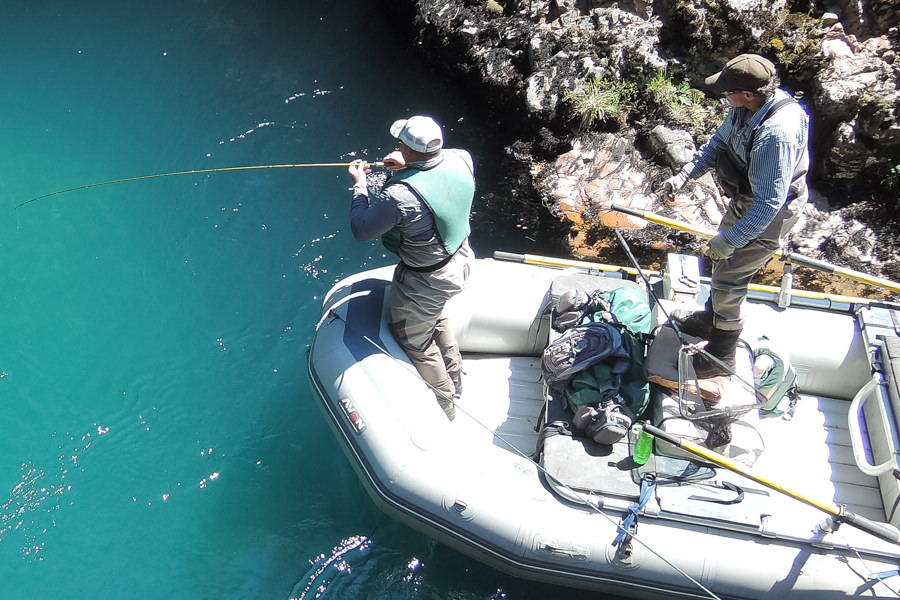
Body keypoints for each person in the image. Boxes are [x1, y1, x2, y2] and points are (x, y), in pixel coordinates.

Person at [659, 54, 810, 378]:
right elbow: (716, 145)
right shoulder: (743, 109)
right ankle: (711, 318)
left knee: (729, 278)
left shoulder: (776, 134)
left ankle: (722, 355)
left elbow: (770, 203)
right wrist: (684, 176)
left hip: (771, 213)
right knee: (721, 266)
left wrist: (730, 241)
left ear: (749, 93)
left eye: (729, 91)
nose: (724, 96)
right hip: (746, 201)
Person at [347, 115, 475, 420]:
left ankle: (447, 405)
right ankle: (456, 377)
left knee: (414, 340)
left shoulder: (399, 196)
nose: (396, 146)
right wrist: (409, 164)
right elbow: (434, 176)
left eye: (400, 143)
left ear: (408, 148)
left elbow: (361, 229)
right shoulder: (461, 158)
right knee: (434, 314)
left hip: (426, 278)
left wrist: (360, 187)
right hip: (460, 257)